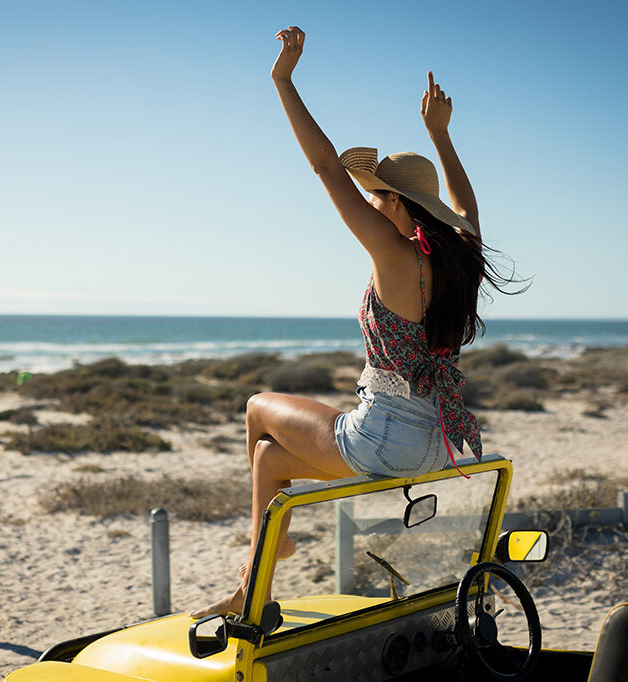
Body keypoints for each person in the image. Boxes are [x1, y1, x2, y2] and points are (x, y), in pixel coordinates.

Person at [190, 26, 524, 619]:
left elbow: (325, 167)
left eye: (377, 195)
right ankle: (254, 586)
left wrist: (283, 80)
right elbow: (467, 209)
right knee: (269, 462)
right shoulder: (457, 258)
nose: (370, 203)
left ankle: (269, 551)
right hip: (438, 445)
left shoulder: (395, 257)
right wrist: (441, 136)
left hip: (384, 437)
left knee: (257, 407)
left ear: (398, 204)